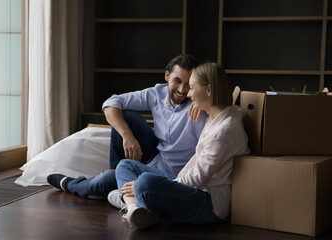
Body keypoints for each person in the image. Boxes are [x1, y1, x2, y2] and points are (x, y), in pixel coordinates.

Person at [109, 62, 250, 229]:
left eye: (191, 87)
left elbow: (197, 178)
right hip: (191, 186)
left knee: (145, 182)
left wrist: (158, 186)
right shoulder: (223, 113)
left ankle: (131, 200)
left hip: (208, 203)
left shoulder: (223, 131)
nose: (187, 94)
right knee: (125, 165)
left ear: (209, 90)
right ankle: (134, 209)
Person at [46, 54, 208, 199]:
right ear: (167, 75)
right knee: (125, 114)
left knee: (102, 181)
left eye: (188, 84)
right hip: (155, 158)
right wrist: (127, 137)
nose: (182, 90)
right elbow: (111, 103)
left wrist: (204, 99)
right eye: (177, 81)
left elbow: (222, 104)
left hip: (175, 175)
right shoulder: (157, 93)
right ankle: (117, 175)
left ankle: (73, 184)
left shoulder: (200, 105)